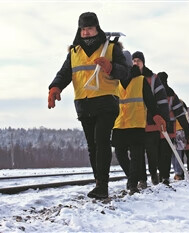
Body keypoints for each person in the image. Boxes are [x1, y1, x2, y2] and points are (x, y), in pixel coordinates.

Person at [48, 12, 128, 199]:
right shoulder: (74, 52)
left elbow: (125, 72)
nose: (86, 32)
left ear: (97, 28)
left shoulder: (111, 48)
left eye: (89, 28)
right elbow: (64, 73)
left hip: (106, 101)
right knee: (92, 145)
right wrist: (54, 87)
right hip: (84, 104)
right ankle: (99, 182)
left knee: (101, 141)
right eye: (83, 29)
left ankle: (103, 185)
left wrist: (111, 68)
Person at [112, 50, 166, 195]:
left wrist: (157, 116)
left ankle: (132, 184)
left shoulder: (141, 80)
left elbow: (150, 101)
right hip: (119, 123)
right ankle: (132, 177)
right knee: (120, 153)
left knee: (137, 156)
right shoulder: (115, 81)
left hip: (136, 123)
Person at [131, 51, 170, 188]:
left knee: (152, 153)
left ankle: (154, 174)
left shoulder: (153, 78)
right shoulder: (128, 77)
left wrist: (163, 119)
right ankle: (142, 179)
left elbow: (162, 99)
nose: (136, 63)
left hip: (151, 123)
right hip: (135, 123)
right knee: (137, 154)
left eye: (138, 61)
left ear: (143, 62)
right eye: (134, 61)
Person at [158, 71, 189, 185]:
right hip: (169, 127)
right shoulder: (171, 94)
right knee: (167, 153)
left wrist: (186, 131)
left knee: (164, 153)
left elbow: (181, 115)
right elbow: (181, 116)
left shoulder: (166, 94)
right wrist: (187, 131)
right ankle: (165, 175)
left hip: (163, 127)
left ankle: (165, 175)